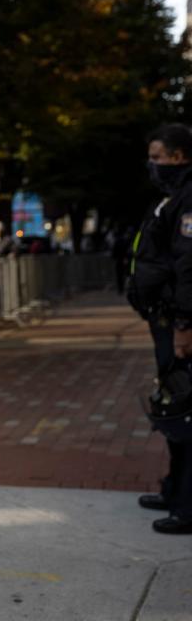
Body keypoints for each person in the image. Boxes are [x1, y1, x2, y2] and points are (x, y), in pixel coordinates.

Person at [127, 123, 192, 534]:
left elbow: (189, 266)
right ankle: (174, 490)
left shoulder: (188, 201)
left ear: (179, 157)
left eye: (157, 157)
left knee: (185, 411)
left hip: (179, 323)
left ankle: (187, 506)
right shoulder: (174, 198)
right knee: (173, 404)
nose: (152, 165)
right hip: (166, 319)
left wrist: (185, 325)